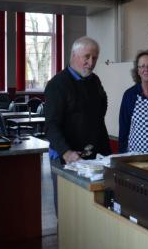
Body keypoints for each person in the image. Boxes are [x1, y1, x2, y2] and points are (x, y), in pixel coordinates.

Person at [44, 36, 111, 211]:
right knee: (68, 210)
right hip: (66, 157)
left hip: (94, 157)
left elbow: (101, 108)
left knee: (94, 208)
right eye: (86, 57)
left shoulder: (94, 81)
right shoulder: (57, 84)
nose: (91, 62)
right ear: (74, 55)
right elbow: (50, 125)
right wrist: (66, 152)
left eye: (95, 58)